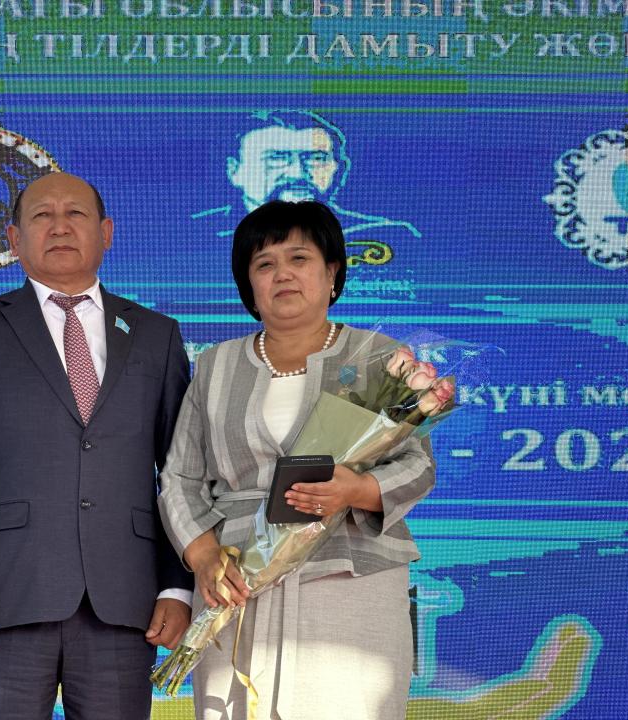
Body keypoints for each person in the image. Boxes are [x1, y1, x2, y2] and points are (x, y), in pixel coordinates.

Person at [0, 172, 194, 720]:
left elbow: (181, 473)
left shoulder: (157, 335)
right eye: (42, 215)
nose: (60, 227)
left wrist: (177, 587)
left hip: (126, 600)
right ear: (14, 239)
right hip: (3, 599)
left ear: (106, 233)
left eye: (75, 214)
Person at [159, 200, 435, 719]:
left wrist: (354, 489)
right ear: (249, 285)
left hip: (350, 575)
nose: (282, 274)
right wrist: (203, 557)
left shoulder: (379, 357)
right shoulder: (215, 365)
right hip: (235, 580)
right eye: (264, 264)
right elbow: (179, 477)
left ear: (332, 273)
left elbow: (417, 464)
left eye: (299, 258)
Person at [192, 110, 420, 267]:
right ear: (235, 171)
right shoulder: (196, 234)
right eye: (277, 158)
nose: (297, 173)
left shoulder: (386, 235)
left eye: (315, 158)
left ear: (338, 168)